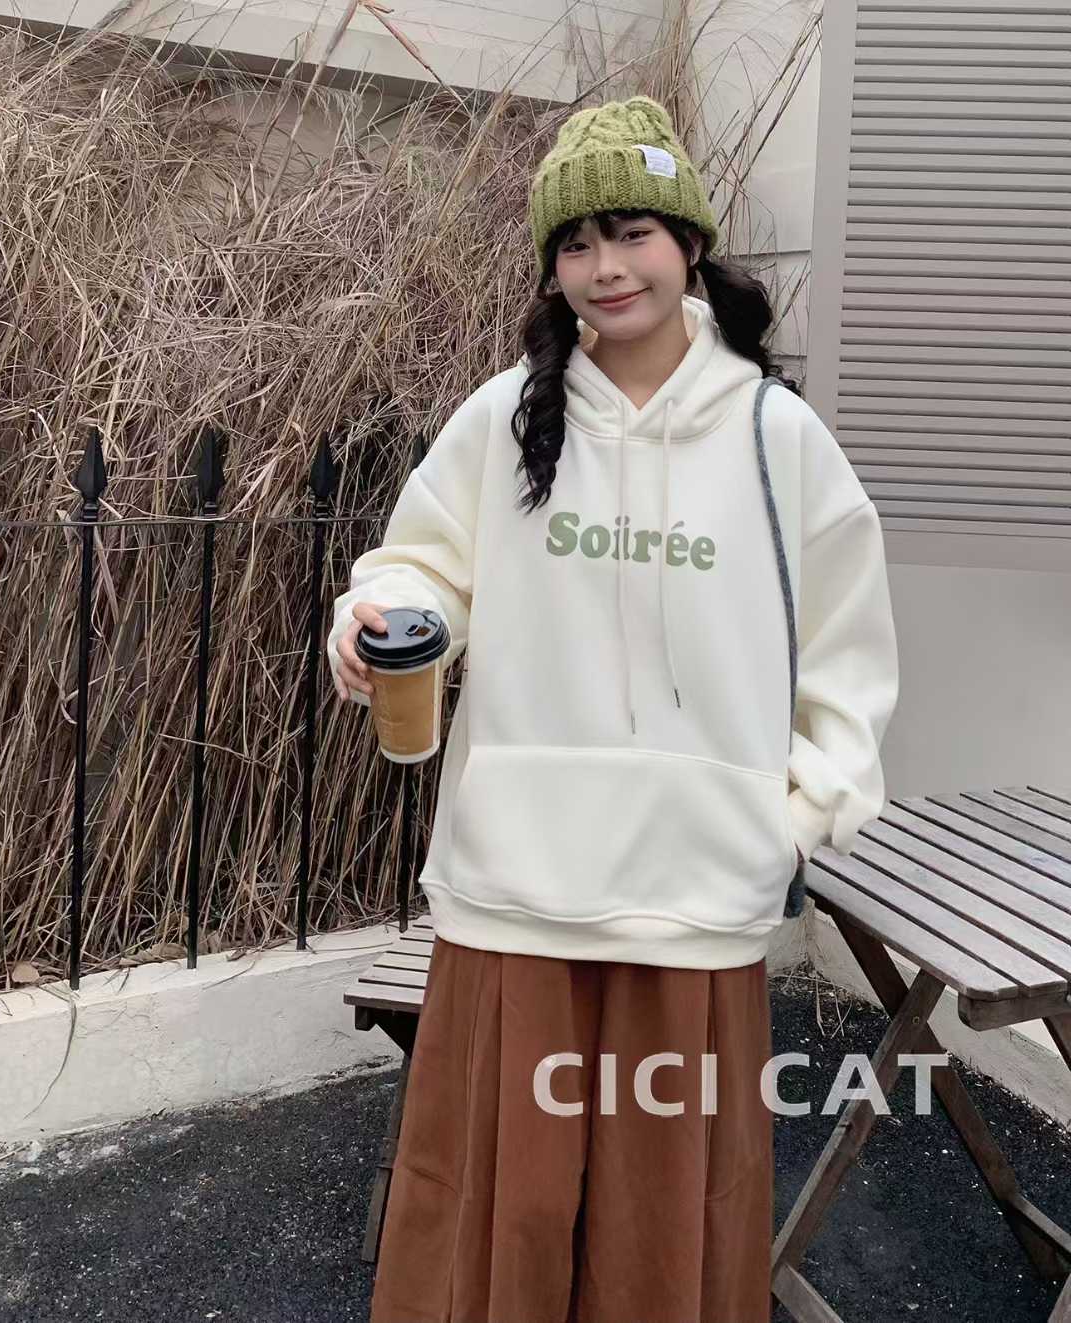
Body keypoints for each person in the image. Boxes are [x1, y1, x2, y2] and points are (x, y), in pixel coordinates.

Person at [327, 95, 899, 1323]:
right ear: (554, 268)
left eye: (632, 233)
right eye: (577, 244)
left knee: (661, 1233)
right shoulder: (505, 416)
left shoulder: (778, 437)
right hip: (517, 891)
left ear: (688, 244)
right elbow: (419, 567)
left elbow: (848, 656)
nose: (606, 267)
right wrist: (383, 616)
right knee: (498, 1221)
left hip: (692, 899)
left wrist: (794, 816)